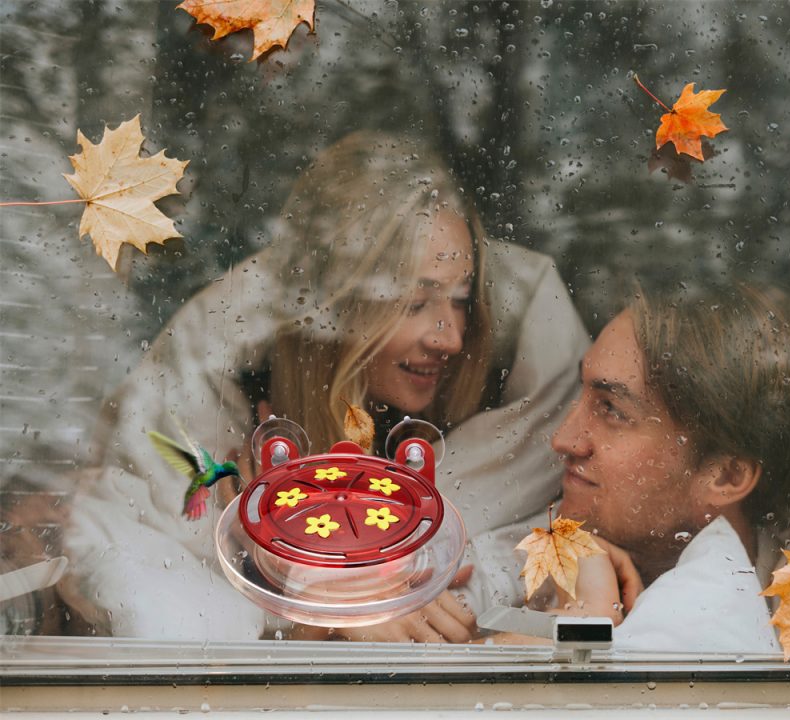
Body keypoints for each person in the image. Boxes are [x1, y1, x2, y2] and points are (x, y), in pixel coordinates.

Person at [65, 132, 589, 642]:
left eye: (460, 300)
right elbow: (137, 564)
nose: (449, 338)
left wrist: (342, 584)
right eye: (414, 302)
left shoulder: (522, 419)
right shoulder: (223, 401)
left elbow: (517, 560)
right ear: (335, 309)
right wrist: (311, 589)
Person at [467, 282, 790, 654]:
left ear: (726, 476)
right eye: (580, 395)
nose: (563, 439)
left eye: (610, 409)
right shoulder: (533, 556)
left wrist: (581, 635)